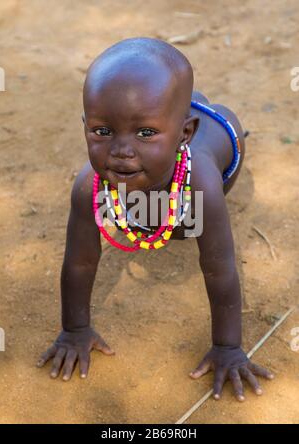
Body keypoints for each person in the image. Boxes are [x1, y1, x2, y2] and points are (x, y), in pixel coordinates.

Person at [37, 37, 274, 402]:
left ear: (185, 134)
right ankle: (171, 114)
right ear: (85, 124)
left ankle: (197, 113)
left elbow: (219, 270)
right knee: (150, 193)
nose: (121, 150)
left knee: (183, 222)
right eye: (102, 131)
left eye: (144, 134)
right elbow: (81, 261)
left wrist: (228, 349)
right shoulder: (91, 185)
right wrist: (74, 329)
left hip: (220, 136)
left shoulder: (202, 188)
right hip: (175, 126)